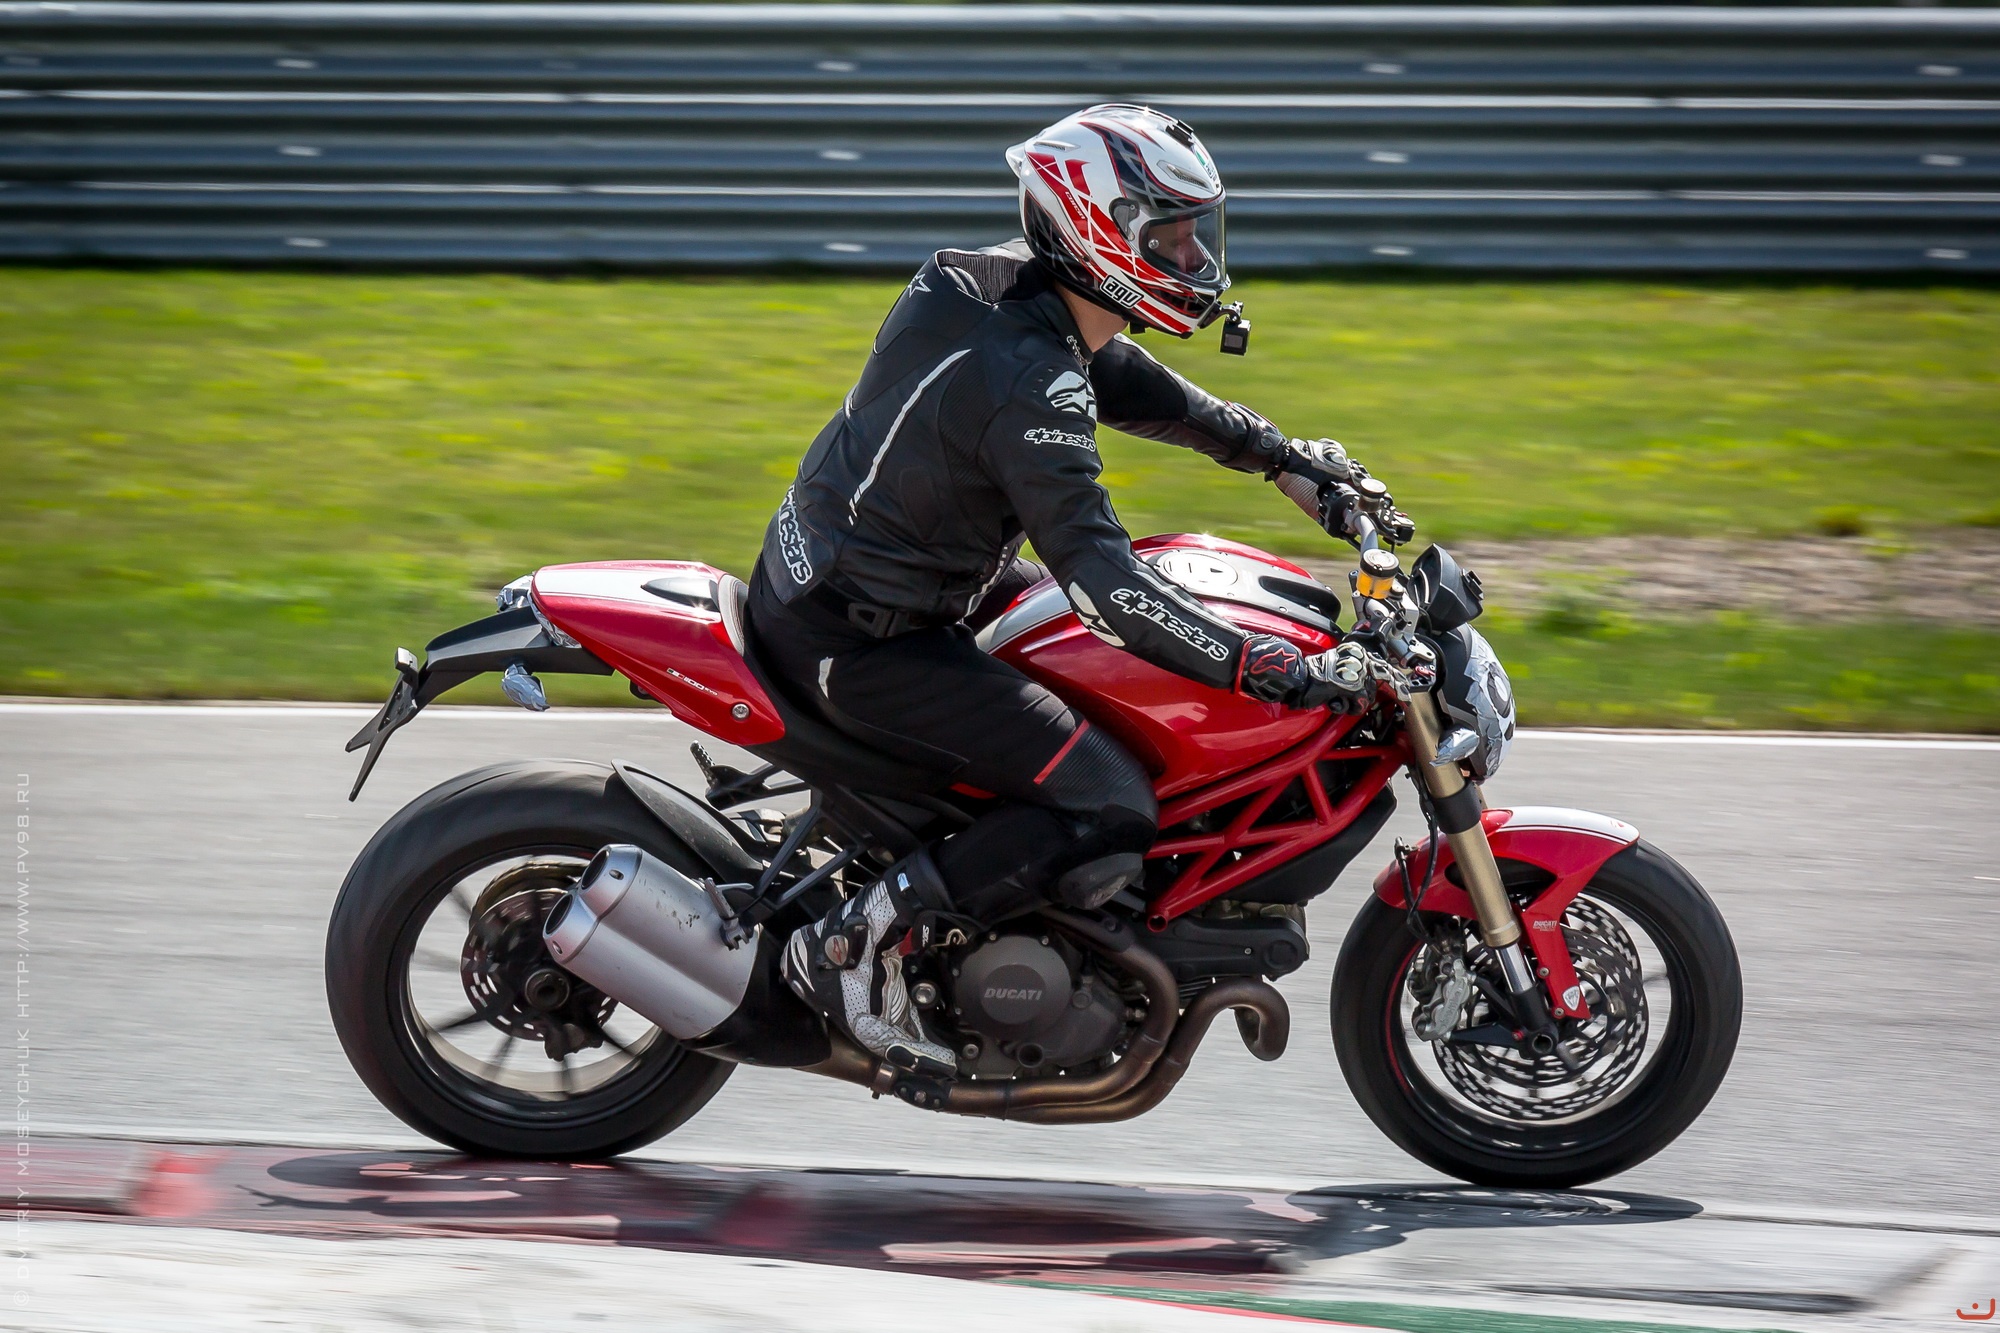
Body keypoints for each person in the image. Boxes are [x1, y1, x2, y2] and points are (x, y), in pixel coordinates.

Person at [749, 104, 1386, 1076]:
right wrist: (1265, 666)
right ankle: (850, 947)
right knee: (1107, 799)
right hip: (860, 638)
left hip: (878, 580)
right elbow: (1109, 589)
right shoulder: (1026, 380)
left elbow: (1129, 381)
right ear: (1096, 229)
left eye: (1195, 232)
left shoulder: (996, 291)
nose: (1192, 257)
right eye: (1168, 236)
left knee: (1094, 697)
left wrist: (1282, 458)